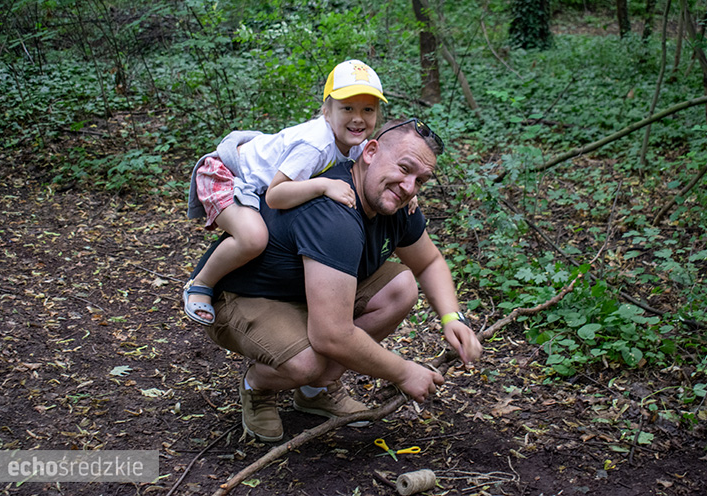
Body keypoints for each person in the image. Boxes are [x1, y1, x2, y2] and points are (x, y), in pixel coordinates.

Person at [190, 117, 483, 442]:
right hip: (243, 295)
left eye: (420, 180)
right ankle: (258, 386)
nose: (409, 187)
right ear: (370, 151)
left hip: (303, 290)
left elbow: (428, 262)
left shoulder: (397, 204)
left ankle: (316, 391)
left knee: (400, 287)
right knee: (305, 361)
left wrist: (452, 317)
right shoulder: (335, 215)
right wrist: (404, 372)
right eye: (404, 168)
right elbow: (331, 334)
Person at [184, 60, 388, 325]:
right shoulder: (315, 146)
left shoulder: (355, 141)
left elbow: (379, 168)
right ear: (326, 112)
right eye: (347, 108)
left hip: (252, 181)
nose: (358, 118)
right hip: (227, 174)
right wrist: (323, 186)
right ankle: (200, 284)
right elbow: (275, 195)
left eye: (368, 109)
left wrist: (403, 188)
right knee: (253, 238)